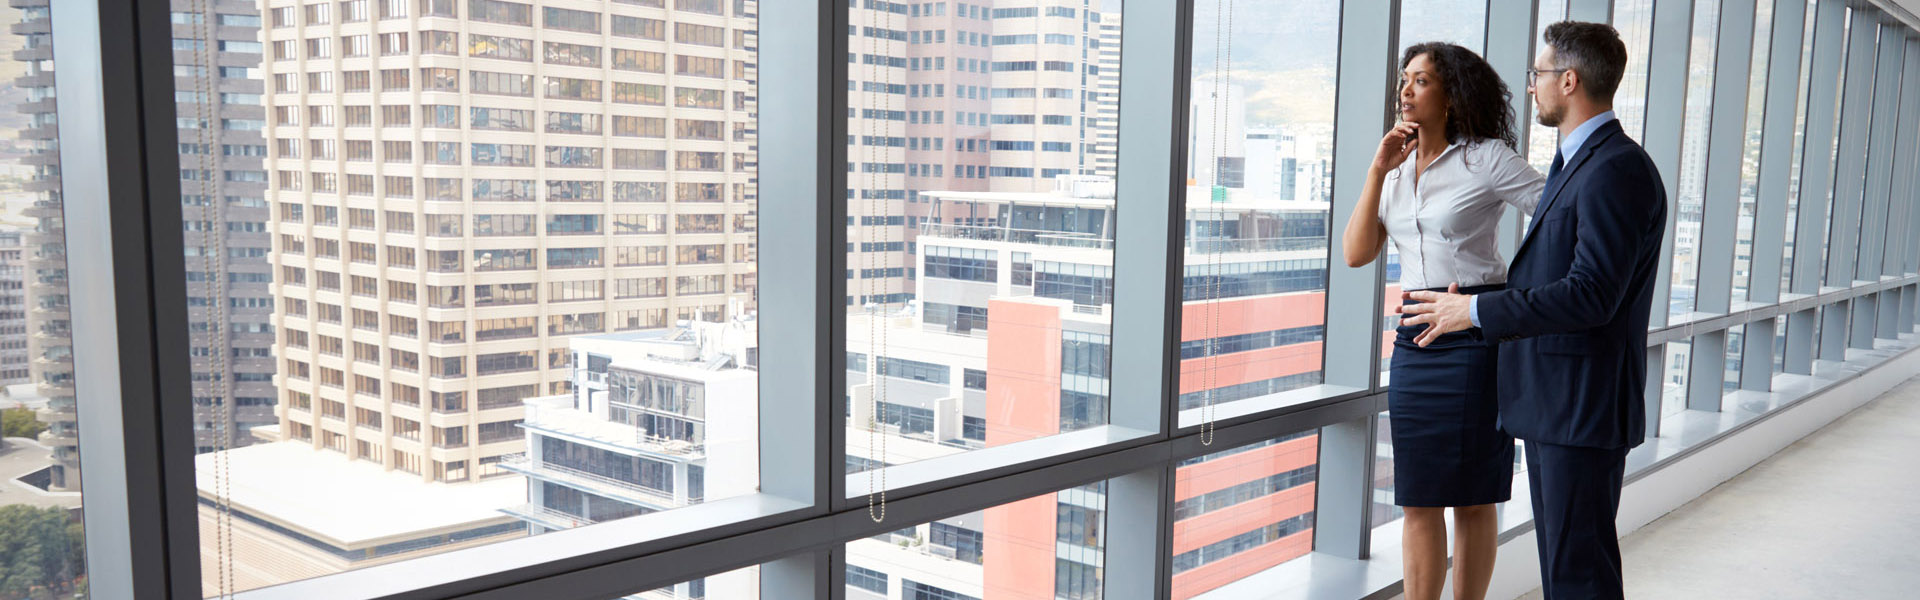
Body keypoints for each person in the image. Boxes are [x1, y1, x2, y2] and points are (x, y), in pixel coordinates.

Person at [1399, 22, 1668, 600]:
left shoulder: (1613, 168)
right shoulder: (1581, 164)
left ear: (1568, 81)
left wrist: (1475, 312)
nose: (1531, 88)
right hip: (1558, 403)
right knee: (1568, 571)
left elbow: (1593, 294)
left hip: (1581, 404)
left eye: (1539, 75)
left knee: (1578, 576)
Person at [1341, 42, 1544, 600]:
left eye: (1421, 80)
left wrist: (1514, 294)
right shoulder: (1396, 167)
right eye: (1405, 79)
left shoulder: (1487, 158)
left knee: (1474, 496)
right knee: (1418, 494)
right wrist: (1378, 169)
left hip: (1473, 331)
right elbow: (1356, 253)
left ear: (1452, 95)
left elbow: (1558, 210)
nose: (1406, 90)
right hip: (1413, 339)